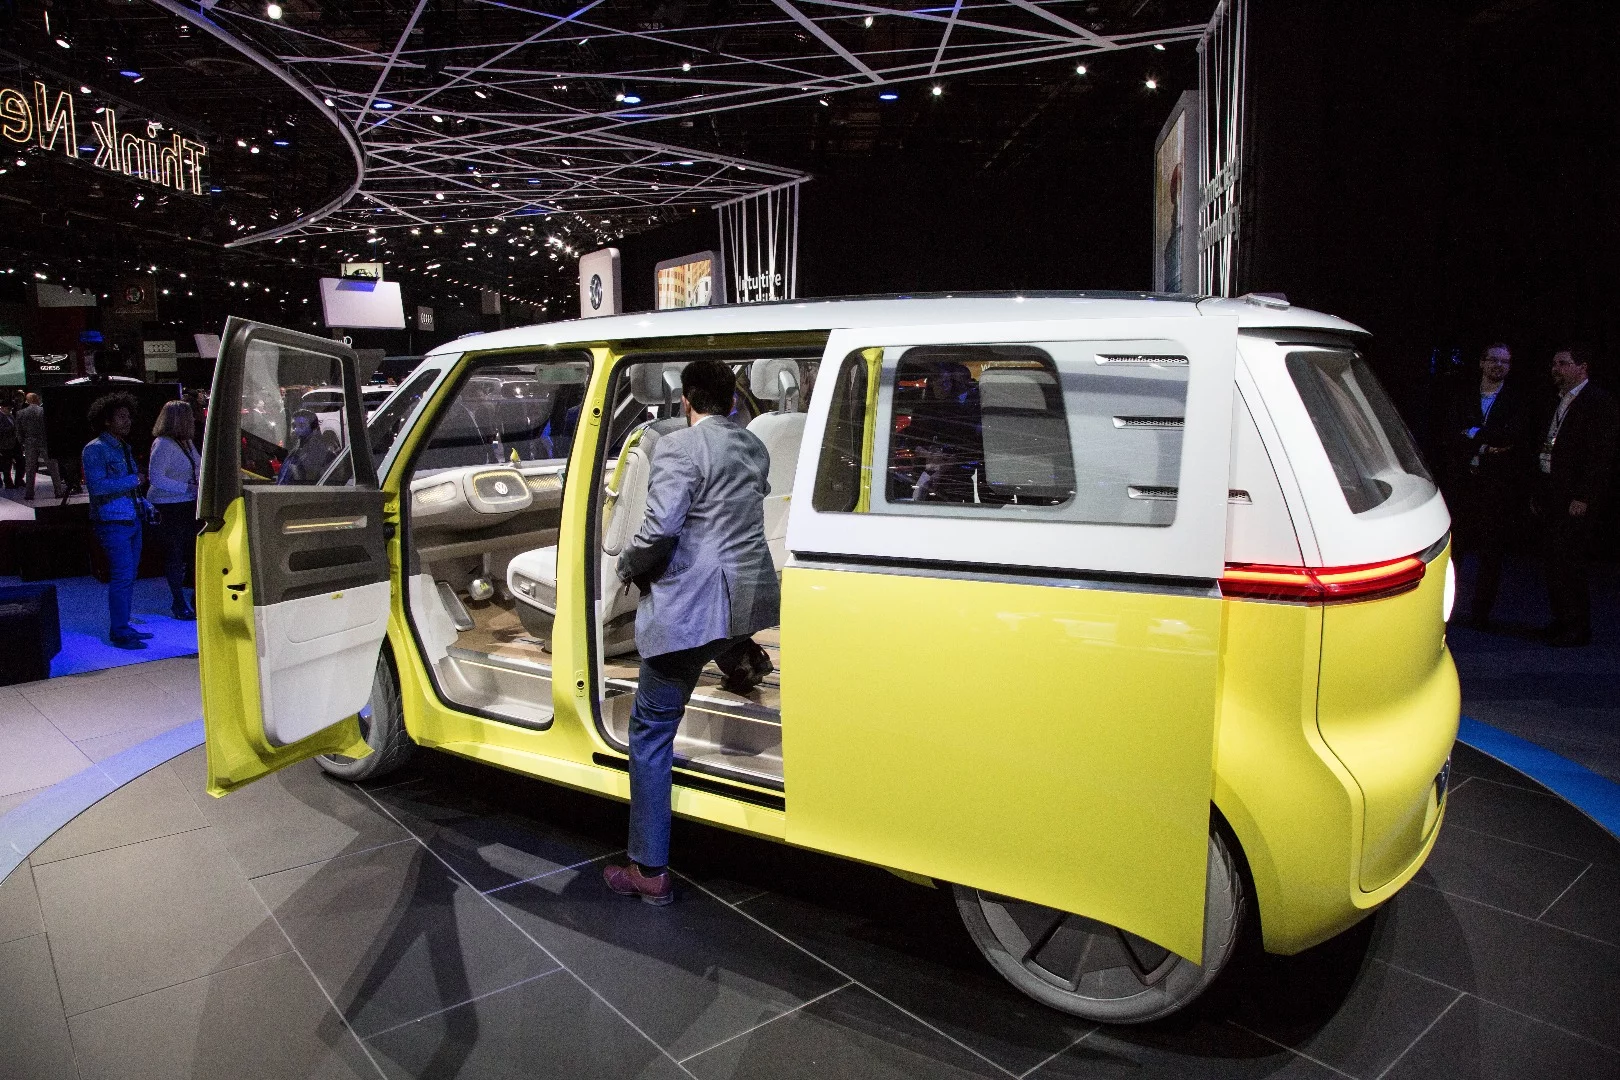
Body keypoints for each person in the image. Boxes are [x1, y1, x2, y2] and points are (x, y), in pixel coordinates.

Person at [603, 360, 780, 905]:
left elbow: (658, 529)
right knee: (717, 634)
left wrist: (627, 565)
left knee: (650, 730)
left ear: (686, 401)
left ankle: (648, 870)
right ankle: (740, 656)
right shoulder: (753, 447)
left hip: (695, 606)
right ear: (732, 401)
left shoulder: (678, 447)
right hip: (750, 594)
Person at [1535, 347, 1618, 647]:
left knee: (1570, 562)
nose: (1556, 368)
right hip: (1553, 492)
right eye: (1554, 363)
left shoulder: (1599, 403)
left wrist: (1584, 496)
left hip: (1575, 498)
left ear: (1582, 367)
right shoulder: (1558, 401)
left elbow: (1600, 457)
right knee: (1553, 560)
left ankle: (1578, 626)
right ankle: (1561, 619)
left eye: (1563, 364)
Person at [1444, 343, 1528, 628]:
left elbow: (1510, 437)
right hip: (1462, 485)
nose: (1499, 366)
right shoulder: (1460, 396)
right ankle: (1448, 609)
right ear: (1481, 363)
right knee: (1455, 552)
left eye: (1505, 361)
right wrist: (1486, 444)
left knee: (1491, 555)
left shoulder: (1516, 401)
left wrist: (1473, 435)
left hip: (1496, 490)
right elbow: (1450, 434)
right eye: (1493, 360)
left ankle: (1481, 614)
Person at [83, 392, 151, 650]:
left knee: (128, 576)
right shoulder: (95, 449)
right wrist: (134, 481)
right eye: (121, 416)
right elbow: (97, 487)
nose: (127, 420)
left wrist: (143, 503)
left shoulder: (123, 446)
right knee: (122, 577)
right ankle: (120, 631)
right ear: (106, 421)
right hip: (112, 521)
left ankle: (123, 626)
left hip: (132, 518)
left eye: (128, 416)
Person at [148, 400, 200, 620]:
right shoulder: (163, 444)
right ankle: (178, 602)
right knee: (175, 555)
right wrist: (187, 488)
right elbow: (156, 478)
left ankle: (195, 600)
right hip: (168, 506)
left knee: (191, 554)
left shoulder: (186, 442)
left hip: (187, 504)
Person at [17, 392, 60, 502]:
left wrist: (22, 442)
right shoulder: (44, 411)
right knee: (53, 467)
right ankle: (58, 491)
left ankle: (29, 493)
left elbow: (19, 431)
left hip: (30, 442)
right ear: (37, 399)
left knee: (30, 468)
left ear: (27, 401)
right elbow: (51, 427)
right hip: (45, 441)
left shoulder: (21, 413)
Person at [276, 410, 336, 484]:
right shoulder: (294, 452)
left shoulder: (322, 455)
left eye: (302, 426)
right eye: (294, 426)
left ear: (314, 429)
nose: (296, 430)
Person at [0, 400, 19, 488]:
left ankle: (15, 480)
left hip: (12, 442)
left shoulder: (11, 416)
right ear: (2, 408)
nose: (10, 410)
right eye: (8, 408)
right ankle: (7, 481)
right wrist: (11, 428)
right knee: (6, 463)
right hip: (3, 444)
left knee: (12, 463)